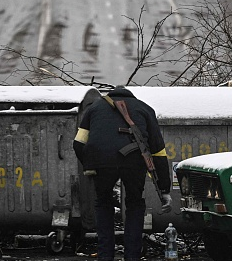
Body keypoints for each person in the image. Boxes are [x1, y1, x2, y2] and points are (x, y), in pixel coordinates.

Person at [73, 86, 171, 261]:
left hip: (101, 161)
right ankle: (132, 256)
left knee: (103, 203)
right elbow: (158, 152)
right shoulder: (145, 109)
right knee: (134, 204)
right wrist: (164, 189)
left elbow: (78, 144)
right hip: (134, 161)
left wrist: (90, 165)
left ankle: (105, 256)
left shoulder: (93, 108)